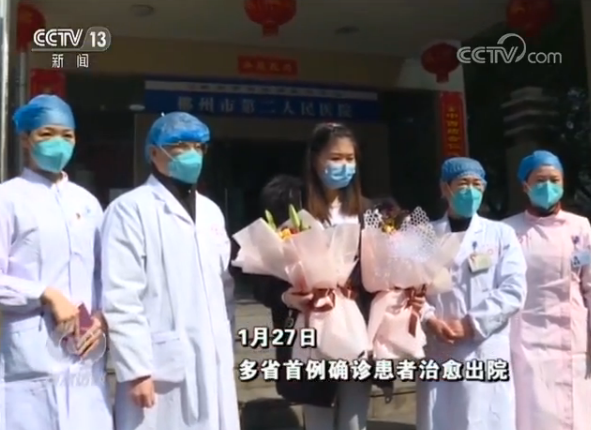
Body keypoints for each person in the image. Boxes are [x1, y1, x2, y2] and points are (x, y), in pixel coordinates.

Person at [250, 123, 422, 430]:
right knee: (319, 418)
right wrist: (286, 296)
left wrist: (407, 292)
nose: (344, 166)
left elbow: (387, 275)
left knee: (354, 421)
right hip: (311, 327)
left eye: (350, 158)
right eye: (335, 158)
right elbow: (262, 272)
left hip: (358, 328)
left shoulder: (372, 213)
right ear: (315, 159)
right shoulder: (290, 210)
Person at [101, 112, 239, 430]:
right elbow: (121, 295)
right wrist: (136, 370)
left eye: (198, 146)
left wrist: (226, 344)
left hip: (213, 358)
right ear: (154, 152)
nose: (192, 154)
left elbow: (224, 286)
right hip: (158, 366)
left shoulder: (211, 211)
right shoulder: (130, 209)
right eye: (180, 146)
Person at [0, 95, 112, 430]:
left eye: (67, 135)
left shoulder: (87, 203)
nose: (58, 143)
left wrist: (103, 317)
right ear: (25, 139)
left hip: (85, 354)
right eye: (46, 134)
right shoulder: (8, 199)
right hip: (28, 356)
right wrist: (45, 294)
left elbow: (105, 274)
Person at [416, 157, 527, 430]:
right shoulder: (423, 235)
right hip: (439, 346)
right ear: (445, 188)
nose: (471, 191)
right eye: (463, 183)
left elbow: (513, 289)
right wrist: (429, 319)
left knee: (484, 419)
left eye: (477, 184)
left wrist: (471, 324)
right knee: (441, 419)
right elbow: (409, 292)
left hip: (484, 346)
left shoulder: (501, 234)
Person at [503, 150, 591, 430]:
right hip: (524, 340)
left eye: (555, 179)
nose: (548, 186)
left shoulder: (580, 227)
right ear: (524, 185)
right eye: (540, 180)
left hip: (572, 337)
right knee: (531, 412)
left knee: (575, 413)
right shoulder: (507, 231)